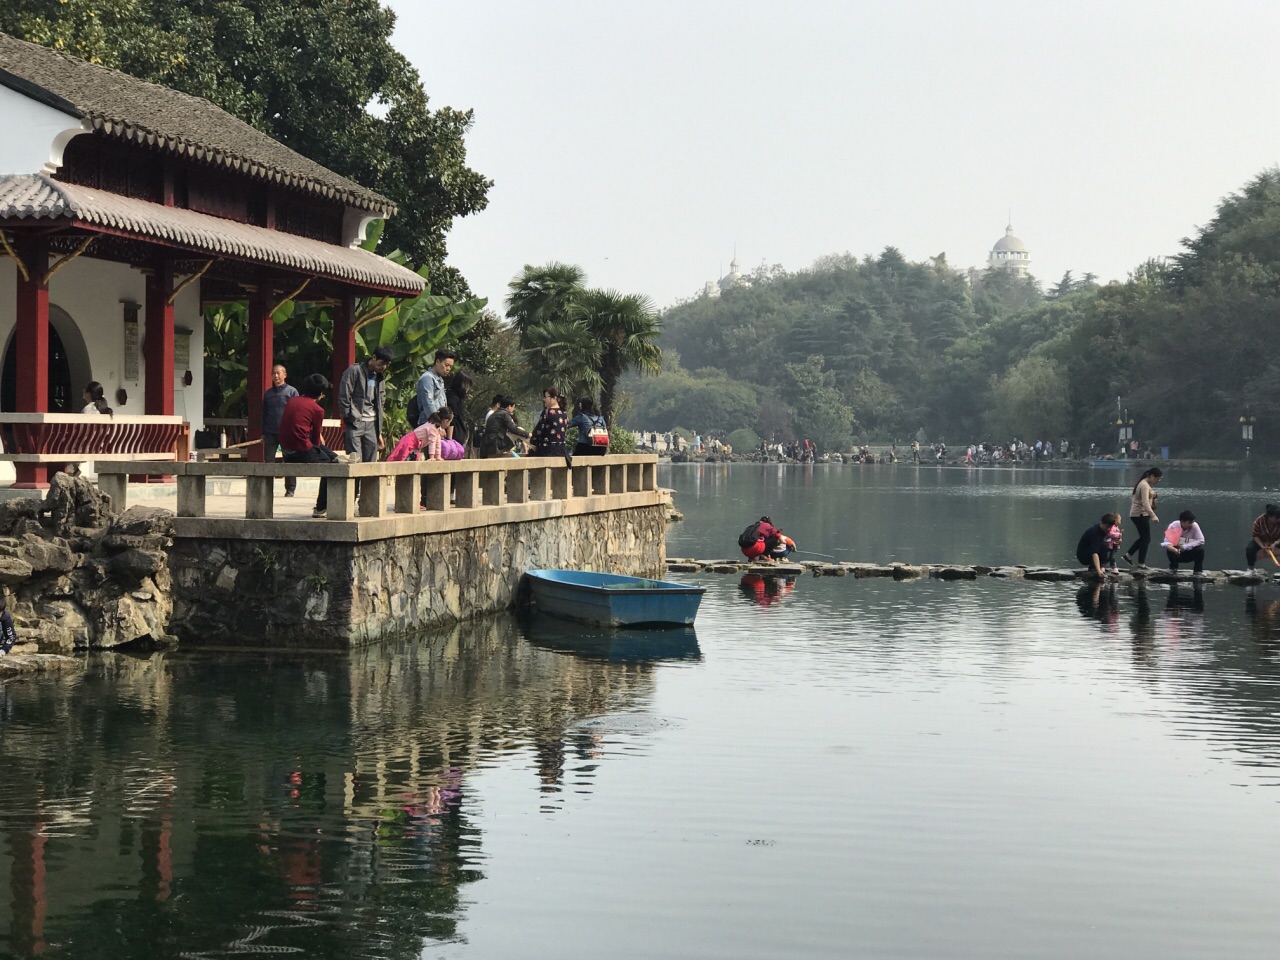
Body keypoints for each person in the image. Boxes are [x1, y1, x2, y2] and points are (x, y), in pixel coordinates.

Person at [278, 374, 339, 519]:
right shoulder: (317, 410)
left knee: (331, 456)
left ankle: (337, 457)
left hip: (286, 451)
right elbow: (316, 440)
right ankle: (320, 507)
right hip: (300, 450)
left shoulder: (292, 401)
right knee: (332, 467)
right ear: (321, 394)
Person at [338, 346, 391, 463]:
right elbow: (344, 397)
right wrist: (349, 418)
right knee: (355, 462)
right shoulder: (354, 371)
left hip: (372, 424)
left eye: (386, 364)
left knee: (371, 464)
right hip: (355, 422)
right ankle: (355, 483)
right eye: (382, 363)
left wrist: (379, 431)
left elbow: (381, 400)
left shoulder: (380, 377)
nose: (384, 367)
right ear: (374, 357)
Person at [261, 363, 299, 497]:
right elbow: (264, 414)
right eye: (273, 373)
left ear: (285, 375)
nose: (276, 376)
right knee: (269, 461)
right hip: (270, 432)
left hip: (287, 432)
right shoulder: (268, 393)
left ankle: (290, 489)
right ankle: (267, 489)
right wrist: (263, 432)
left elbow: (296, 413)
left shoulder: (292, 392)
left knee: (289, 460)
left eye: (278, 373)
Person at [1120, 466, 1163, 568]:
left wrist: (1153, 495)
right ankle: (1141, 564)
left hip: (1140, 514)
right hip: (1139, 514)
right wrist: (1153, 516)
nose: (1158, 481)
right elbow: (1145, 503)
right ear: (1152, 476)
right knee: (1146, 539)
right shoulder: (1144, 485)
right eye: (1158, 478)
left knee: (1144, 538)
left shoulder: (1145, 484)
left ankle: (1129, 555)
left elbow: (1149, 495)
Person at [388, 407, 460, 462]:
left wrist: (438, 457)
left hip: (416, 445)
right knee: (400, 458)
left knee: (413, 460)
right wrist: (432, 457)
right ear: (445, 421)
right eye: (449, 422)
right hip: (409, 442)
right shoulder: (432, 427)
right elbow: (432, 442)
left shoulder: (437, 429)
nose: (449, 424)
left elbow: (438, 443)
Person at [413, 348, 457, 426]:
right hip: (428, 425)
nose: (448, 369)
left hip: (436, 426)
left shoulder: (440, 380)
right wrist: (437, 425)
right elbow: (428, 404)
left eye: (450, 367)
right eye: (446, 365)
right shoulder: (427, 378)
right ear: (437, 362)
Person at [1077, 513, 1120, 578]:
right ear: (1101, 523)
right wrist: (1098, 571)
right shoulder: (1095, 532)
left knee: (1109, 546)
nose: (1108, 529)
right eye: (1107, 527)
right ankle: (1094, 568)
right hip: (1084, 555)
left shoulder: (1106, 532)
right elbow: (1094, 552)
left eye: (1110, 527)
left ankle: (1101, 565)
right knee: (1104, 545)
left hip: (1095, 552)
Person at [529, 388, 568, 457]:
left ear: (554, 398)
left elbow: (539, 431)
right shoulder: (564, 413)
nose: (544, 399)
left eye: (546, 397)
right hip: (561, 450)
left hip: (548, 449)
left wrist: (532, 442)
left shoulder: (547, 412)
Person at [1245, 503, 1280, 574]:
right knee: (1250, 549)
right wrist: (1262, 545)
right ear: (1269, 517)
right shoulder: (1259, 521)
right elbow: (1255, 535)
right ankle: (1251, 569)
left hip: (1276, 540)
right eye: (1276, 518)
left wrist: (1275, 543)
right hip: (1260, 540)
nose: (1279, 520)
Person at [445, 370, 474, 453]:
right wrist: (449, 440)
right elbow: (451, 419)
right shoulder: (453, 399)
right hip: (455, 438)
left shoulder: (454, 397)